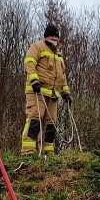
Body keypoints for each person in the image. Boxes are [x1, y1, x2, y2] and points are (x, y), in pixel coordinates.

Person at [21, 23, 72, 155]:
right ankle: (28, 151)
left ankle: (49, 152)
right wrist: (34, 80)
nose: (54, 38)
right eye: (52, 35)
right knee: (34, 120)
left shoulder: (58, 54)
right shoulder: (37, 46)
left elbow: (62, 75)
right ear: (46, 36)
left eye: (56, 36)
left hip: (53, 96)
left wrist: (65, 92)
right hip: (37, 93)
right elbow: (29, 63)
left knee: (51, 125)